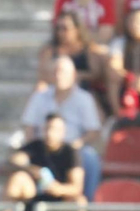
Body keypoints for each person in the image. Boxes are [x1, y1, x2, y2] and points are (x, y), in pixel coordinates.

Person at [19, 56, 104, 197]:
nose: (59, 76)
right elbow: (29, 127)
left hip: (72, 148)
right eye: (56, 71)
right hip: (42, 147)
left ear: (73, 75)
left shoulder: (84, 99)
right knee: (19, 160)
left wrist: (75, 145)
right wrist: (32, 148)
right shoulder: (39, 97)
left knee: (89, 158)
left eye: (63, 72)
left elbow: (93, 131)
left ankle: (87, 203)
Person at [36, 11, 107, 98]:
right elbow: (43, 74)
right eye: (58, 28)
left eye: (65, 28)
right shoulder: (50, 50)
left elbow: (95, 73)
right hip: (54, 89)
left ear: (77, 29)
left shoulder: (87, 49)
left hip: (83, 91)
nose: (61, 32)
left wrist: (76, 76)